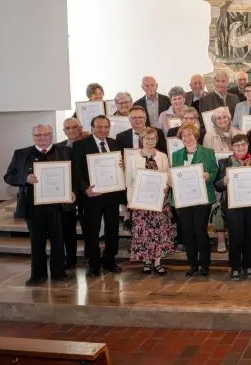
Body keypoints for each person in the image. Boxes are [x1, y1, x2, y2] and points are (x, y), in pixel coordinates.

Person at [4, 124, 74, 285]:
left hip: (59, 205)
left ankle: (59, 273)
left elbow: (74, 175)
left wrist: (73, 191)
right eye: (38, 136)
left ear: (52, 135)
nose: (42, 138)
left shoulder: (65, 151)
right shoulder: (21, 153)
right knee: (37, 242)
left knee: (58, 240)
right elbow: (8, 176)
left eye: (46, 135)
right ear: (33, 137)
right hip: (33, 207)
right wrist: (25, 178)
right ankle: (38, 275)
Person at [72, 115, 124, 276]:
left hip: (112, 195)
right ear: (92, 128)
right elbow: (77, 171)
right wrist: (85, 189)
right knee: (91, 230)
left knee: (112, 228)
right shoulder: (80, 145)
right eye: (99, 127)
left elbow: (118, 167)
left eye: (106, 127)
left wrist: (122, 165)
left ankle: (110, 260)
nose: (103, 130)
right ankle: (93, 263)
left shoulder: (114, 143)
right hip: (91, 195)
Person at [125, 127, 175, 275]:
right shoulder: (133, 158)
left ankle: (158, 261)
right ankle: (147, 261)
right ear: (142, 139)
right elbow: (129, 182)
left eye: (153, 138)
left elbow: (167, 177)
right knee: (144, 232)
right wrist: (130, 201)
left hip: (160, 202)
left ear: (156, 140)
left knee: (159, 231)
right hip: (141, 202)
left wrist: (168, 184)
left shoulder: (163, 156)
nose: (150, 141)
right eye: (147, 138)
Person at [170, 123, 218, 277]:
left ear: (196, 136)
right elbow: (174, 174)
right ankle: (192, 264)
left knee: (200, 231)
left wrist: (208, 176)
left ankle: (204, 265)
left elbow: (214, 171)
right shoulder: (176, 154)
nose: (187, 138)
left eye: (190, 134)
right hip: (183, 200)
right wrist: (171, 180)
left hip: (202, 199)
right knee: (187, 233)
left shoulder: (208, 152)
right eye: (184, 135)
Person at [214, 134, 251, 280]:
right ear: (232, 147)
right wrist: (224, 181)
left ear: (248, 145)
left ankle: (248, 266)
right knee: (235, 237)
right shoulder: (224, 162)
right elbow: (217, 186)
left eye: (243, 144)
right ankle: (235, 267)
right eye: (237, 145)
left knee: (249, 237)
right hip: (233, 206)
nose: (240, 147)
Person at [204, 107, 241, 253]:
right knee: (218, 207)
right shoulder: (209, 136)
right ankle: (220, 240)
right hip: (218, 176)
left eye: (224, 117)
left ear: (229, 118)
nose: (222, 120)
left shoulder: (238, 133)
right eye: (218, 118)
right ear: (214, 121)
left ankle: (234, 238)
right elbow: (207, 157)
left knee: (235, 208)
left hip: (235, 176)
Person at [57, 118, 85, 268]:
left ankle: (90, 256)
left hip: (86, 192)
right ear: (64, 131)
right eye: (68, 128)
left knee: (89, 228)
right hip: (67, 194)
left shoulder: (88, 143)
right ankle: (70, 259)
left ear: (80, 128)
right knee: (67, 228)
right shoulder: (58, 147)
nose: (72, 130)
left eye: (75, 127)